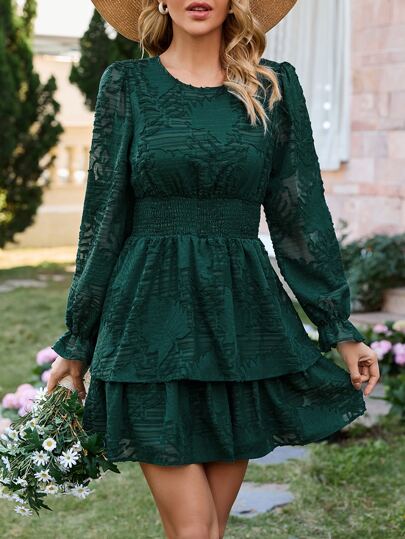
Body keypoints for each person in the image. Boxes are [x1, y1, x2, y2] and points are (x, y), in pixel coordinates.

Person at [47, 1, 380, 537]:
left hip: (240, 323)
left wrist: (338, 327)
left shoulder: (272, 86)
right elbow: (103, 216)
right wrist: (79, 337)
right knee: (195, 530)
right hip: (148, 321)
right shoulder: (127, 84)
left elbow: (301, 215)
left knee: (208, 530)